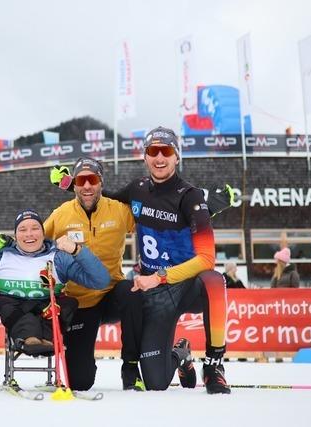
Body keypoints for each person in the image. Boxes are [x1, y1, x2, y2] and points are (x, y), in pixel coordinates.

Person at [109, 126, 231, 394]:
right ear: (145, 157)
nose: (159, 158)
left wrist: (160, 276)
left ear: (176, 157)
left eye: (166, 151)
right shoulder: (137, 189)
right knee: (156, 383)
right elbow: (100, 199)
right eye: (153, 151)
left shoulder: (190, 197)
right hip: (156, 295)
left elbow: (207, 259)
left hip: (186, 287)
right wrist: (71, 183)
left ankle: (213, 366)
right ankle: (181, 355)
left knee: (214, 280)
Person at [44, 157, 146, 391]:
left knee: (132, 291)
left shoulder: (119, 210)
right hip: (79, 304)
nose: (87, 185)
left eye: (93, 179)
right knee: (80, 382)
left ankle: (130, 366)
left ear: (101, 182)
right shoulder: (61, 214)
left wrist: (199, 212)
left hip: (112, 295)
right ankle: (85, 363)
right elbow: (34, 241)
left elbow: (152, 222)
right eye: (81, 180)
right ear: (75, 185)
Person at [0, 209, 110, 360]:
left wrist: (77, 251)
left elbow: (100, 281)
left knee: (69, 302)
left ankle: (47, 338)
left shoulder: (58, 257)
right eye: (22, 229)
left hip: (47, 308)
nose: (29, 234)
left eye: (35, 228)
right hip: (15, 308)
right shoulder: (3, 255)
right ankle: (30, 338)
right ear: (15, 235)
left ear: (43, 232)